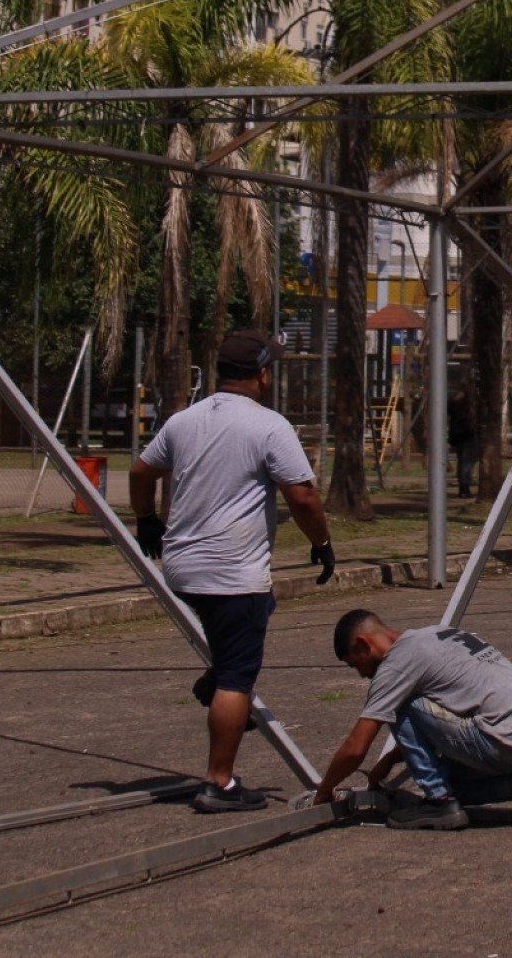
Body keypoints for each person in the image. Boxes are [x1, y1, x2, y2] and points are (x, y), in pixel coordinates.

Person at [131, 329, 335, 814]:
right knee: (238, 676)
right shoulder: (269, 426)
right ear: (263, 374)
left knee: (237, 643)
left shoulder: (185, 421)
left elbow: (141, 472)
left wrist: (145, 520)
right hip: (231, 570)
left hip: (181, 567)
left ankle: (216, 684)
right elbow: (302, 496)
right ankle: (218, 782)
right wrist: (322, 544)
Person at [314, 609, 512, 831]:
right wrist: (390, 759)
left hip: (499, 741)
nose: (361, 674)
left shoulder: (397, 664)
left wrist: (324, 791)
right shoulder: (436, 634)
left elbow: (356, 749)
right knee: (450, 782)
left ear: (363, 644)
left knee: (399, 701)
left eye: (356, 664)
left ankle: (439, 802)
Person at [446, 388, 476, 498]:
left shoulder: (452, 404)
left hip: (457, 437)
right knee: (466, 463)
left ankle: (463, 487)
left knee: (463, 462)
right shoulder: (465, 405)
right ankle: (464, 487)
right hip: (466, 436)